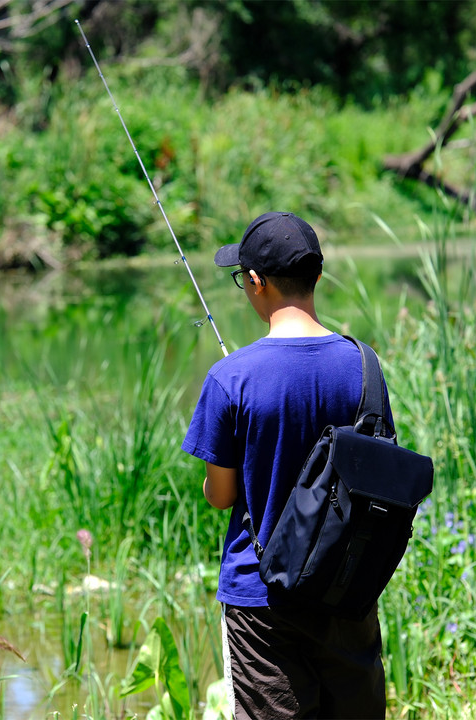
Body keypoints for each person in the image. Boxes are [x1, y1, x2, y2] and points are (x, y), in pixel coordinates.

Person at [181, 211, 388, 719]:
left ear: (255, 282)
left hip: (261, 602)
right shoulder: (364, 364)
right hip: (346, 590)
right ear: (316, 276)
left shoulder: (231, 377)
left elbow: (222, 494)